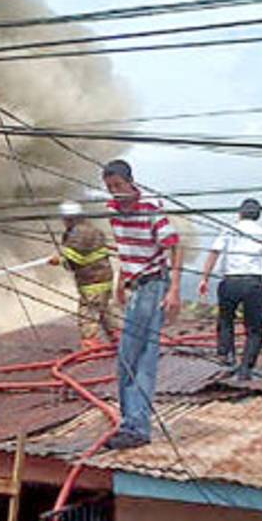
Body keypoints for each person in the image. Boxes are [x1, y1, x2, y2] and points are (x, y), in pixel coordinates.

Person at [101, 159, 182, 450]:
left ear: (131, 182)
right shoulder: (111, 211)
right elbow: (125, 247)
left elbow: (173, 245)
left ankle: (136, 426)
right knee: (128, 359)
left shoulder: (150, 206)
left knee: (139, 358)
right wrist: (121, 280)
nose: (115, 193)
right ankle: (131, 421)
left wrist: (174, 290)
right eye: (110, 188)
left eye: (119, 186)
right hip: (136, 286)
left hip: (153, 284)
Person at [197, 197, 262, 381]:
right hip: (253, 283)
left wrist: (204, 278)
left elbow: (214, 252)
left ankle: (227, 358)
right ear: (257, 215)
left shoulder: (228, 230)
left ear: (239, 213)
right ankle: (246, 368)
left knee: (225, 321)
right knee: (255, 328)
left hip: (229, 281)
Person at [48, 200, 118, 350]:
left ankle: (90, 344)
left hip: (92, 281)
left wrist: (58, 260)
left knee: (88, 312)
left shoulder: (79, 233)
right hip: (104, 279)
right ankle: (117, 336)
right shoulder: (92, 229)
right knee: (105, 309)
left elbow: (73, 257)